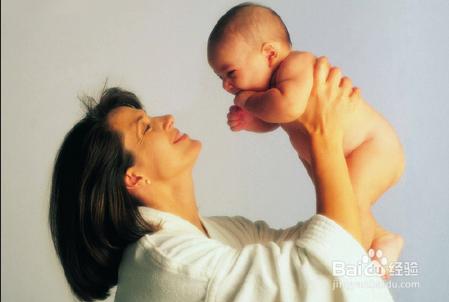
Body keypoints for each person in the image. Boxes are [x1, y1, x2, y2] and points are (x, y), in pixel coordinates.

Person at [49, 57, 394, 301]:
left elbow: (342, 244)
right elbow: (326, 271)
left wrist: (319, 142)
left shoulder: (225, 233)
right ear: (134, 177)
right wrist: (323, 136)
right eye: (146, 127)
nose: (167, 118)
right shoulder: (172, 264)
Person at [207, 2, 405, 273]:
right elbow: (276, 120)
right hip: (340, 153)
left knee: (349, 205)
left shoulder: (295, 65)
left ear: (269, 54)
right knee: (344, 205)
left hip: (371, 147)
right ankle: (382, 238)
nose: (227, 86)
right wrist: (252, 121)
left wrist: (249, 101)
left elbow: (288, 107)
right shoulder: (274, 92)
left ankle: (358, 269)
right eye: (221, 78)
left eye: (230, 73)